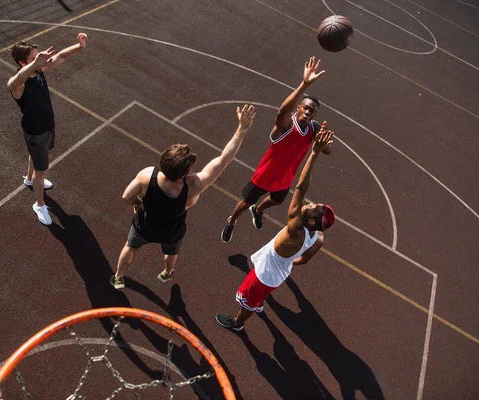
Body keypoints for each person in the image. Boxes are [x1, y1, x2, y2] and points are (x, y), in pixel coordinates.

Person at [111, 105, 257, 290]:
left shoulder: (147, 176)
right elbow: (224, 159)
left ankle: (118, 277)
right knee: (171, 253)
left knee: (130, 247)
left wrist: (137, 203)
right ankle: (167, 273)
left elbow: (126, 196)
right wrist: (242, 128)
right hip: (172, 231)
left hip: (145, 225)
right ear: (184, 173)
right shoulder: (194, 187)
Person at [216, 124, 335, 331]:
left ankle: (238, 323)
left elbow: (300, 188)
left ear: (313, 221)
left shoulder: (294, 229)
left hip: (265, 274)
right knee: (260, 296)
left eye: (314, 208)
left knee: (247, 301)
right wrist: (286, 260)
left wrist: (314, 153)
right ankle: (259, 302)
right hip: (279, 272)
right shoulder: (318, 237)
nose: (311, 204)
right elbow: (304, 260)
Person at [221, 56, 331, 243]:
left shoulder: (313, 128)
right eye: (305, 108)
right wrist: (304, 85)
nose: (307, 112)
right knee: (245, 201)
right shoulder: (287, 125)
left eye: (312, 111)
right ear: (298, 108)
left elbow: (326, 150)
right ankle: (231, 220)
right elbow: (281, 113)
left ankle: (257, 210)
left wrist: (322, 146)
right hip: (265, 175)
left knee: (276, 201)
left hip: (285, 178)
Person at [8, 33, 88, 225]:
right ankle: (39, 204)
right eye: (35, 57)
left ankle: (29, 178)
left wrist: (79, 47)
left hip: (46, 126)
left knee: (36, 157)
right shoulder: (19, 83)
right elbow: (15, 80)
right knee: (41, 172)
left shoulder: (39, 70)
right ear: (22, 62)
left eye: (40, 54)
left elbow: (60, 56)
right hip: (36, 132)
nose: (42, 58)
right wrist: (36, 63)